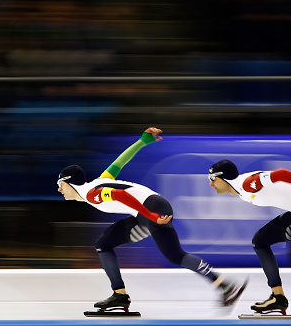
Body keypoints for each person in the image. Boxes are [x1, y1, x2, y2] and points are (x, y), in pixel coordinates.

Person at [57, 127, 247, 313]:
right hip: (144, 213)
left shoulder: (93, 194)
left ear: (69, 182)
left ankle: (225, 286)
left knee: (175, 255)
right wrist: (142, 142)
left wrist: (151, 216)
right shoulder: (98, 182)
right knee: (103, 244)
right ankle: (120, 295)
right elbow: (120, 161)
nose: (59, 190)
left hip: (153, 210)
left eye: (61, 185)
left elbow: (121, 195)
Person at [208, 159, 291, 319]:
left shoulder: (247, 184)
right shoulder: (241, 190)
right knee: (260, 241)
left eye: (212, 179)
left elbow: (282, 174)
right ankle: (278, 297)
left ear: (223, 177)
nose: (211, 184)